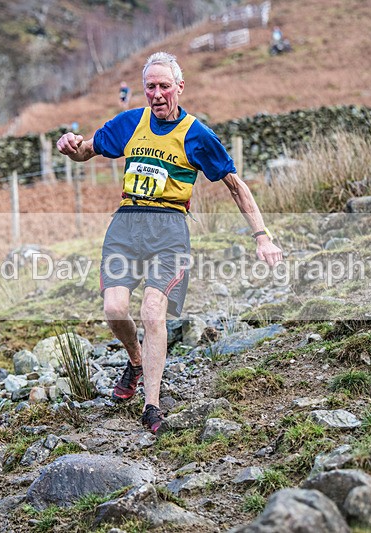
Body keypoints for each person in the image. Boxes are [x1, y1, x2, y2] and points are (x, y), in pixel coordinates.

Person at [56, 52, 282, 434]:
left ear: (180, 87)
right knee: (114, 309)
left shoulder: (197, 134)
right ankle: (136, 360)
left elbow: (235, 186)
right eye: (150, 87)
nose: (157, 94)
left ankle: (152, 404)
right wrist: (70, 144)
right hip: (126, 225)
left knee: (152, 311)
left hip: (169, 229)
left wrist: (262, 237)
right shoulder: (131, 122)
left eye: (164, 86)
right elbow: (85, 151)